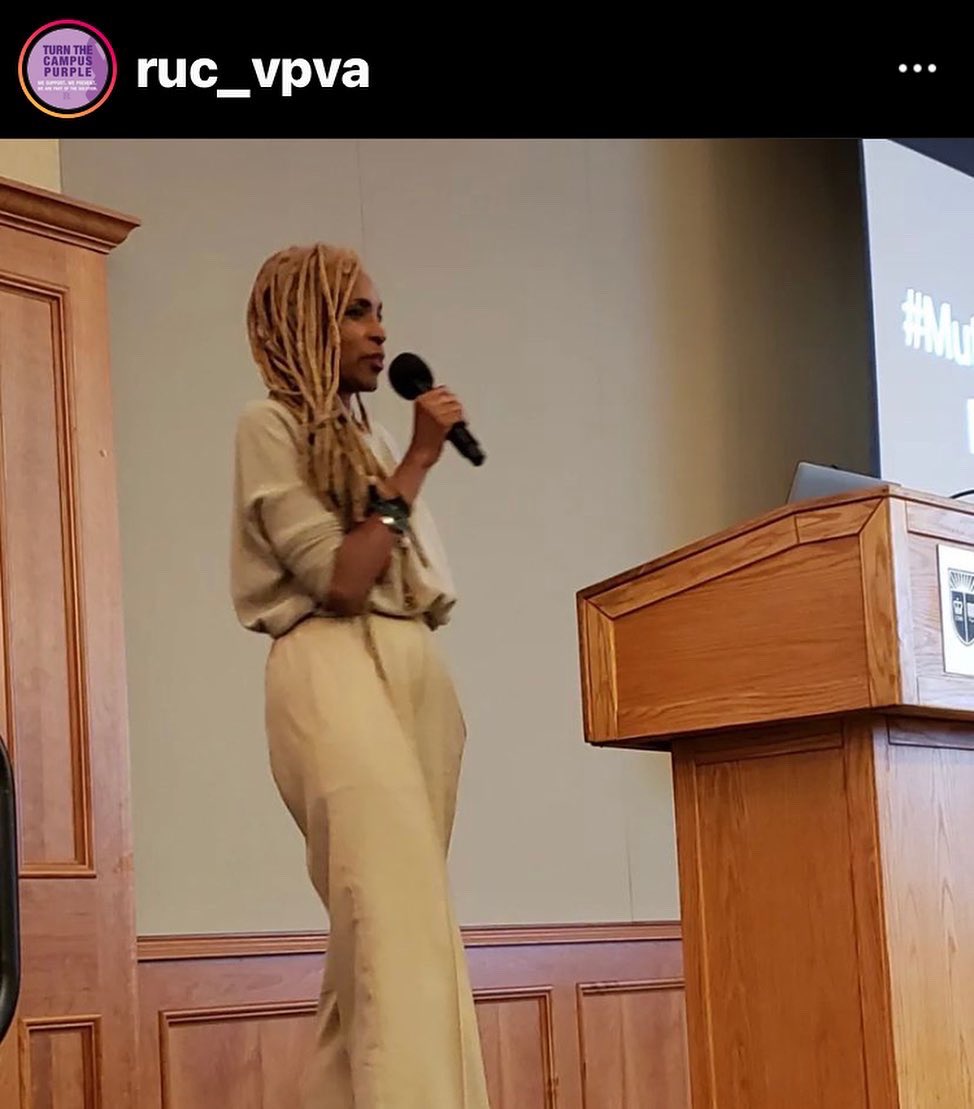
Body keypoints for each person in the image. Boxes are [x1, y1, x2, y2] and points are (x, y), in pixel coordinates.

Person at [230, 242, 491, 1108]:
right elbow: (341, 579)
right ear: (306, 321)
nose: (380, 332)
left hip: (410, 660)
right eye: (356, 312)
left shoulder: (369, 436)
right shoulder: (268, 426)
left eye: (380, 313)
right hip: (331, 660)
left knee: (394, 939)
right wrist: (417, 462)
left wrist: (399, 460)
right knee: (388, 922)